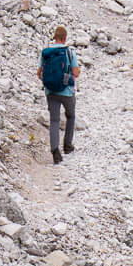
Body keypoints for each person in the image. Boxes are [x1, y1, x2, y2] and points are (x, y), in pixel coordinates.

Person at [38, 25, 80, 164]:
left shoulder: (46, 53)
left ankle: (55, 151)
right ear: (65, 38)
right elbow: (75, 72)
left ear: (54, 38)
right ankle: (67, 145)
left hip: (50, 91)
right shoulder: (69, 52)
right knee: (70, 115)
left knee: (54, 121)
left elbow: (39, 73)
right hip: (67, 91)